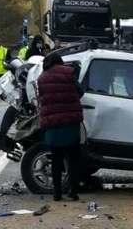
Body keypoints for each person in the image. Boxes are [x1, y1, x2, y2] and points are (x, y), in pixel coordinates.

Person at [37, 52, 84, 202]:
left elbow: (42, 99)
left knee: (56, 159)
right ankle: (73, 191)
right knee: (74, 158)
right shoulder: (69, 73)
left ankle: (57, 193)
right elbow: (80, 92)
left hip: (52, 123)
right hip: (70, 121)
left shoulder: (42, 78)